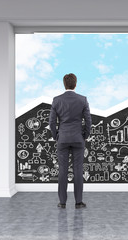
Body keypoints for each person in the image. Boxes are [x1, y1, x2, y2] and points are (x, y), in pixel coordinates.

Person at [49, 73, 91, 209]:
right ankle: (78, 202)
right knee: (78, 170)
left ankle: (62, 202)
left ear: (64, 84)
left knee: (63, 170)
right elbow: (88, 121)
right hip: (78, 138)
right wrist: (85, 135)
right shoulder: (82, 100)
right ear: (75, 84)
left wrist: (56, 136)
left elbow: (51, 122)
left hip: (63, 138)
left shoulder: (56, 100)